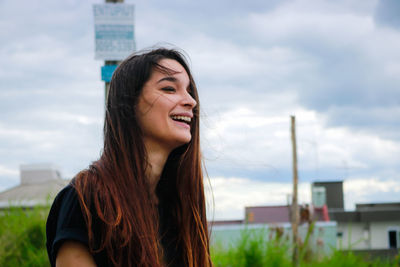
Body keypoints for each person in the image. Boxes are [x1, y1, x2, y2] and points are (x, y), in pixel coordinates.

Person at [46, 48, 212, 267]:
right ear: (130, 103)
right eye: (169, 88)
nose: (191, 101)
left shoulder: (179, 204)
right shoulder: (86, 200)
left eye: (189, 91)